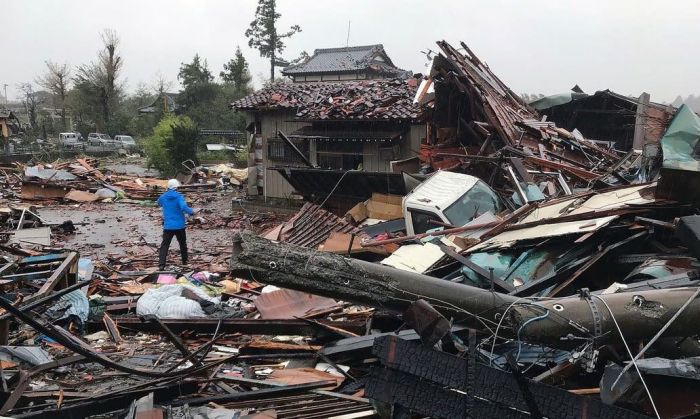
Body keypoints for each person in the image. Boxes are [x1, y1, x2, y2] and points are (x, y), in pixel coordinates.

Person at [157, 179, 195, 270]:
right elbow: (183, 207)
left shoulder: (163, 196)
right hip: (179, 225)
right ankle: (184, 261)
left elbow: (159, 203)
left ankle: (161, 265)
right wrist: (191, 212)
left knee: (164, 245)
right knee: (182, 243)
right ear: (176, 187)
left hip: (168, 226)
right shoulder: (179, 197)